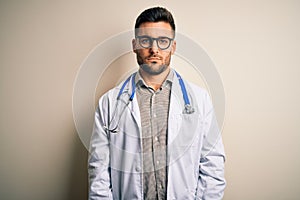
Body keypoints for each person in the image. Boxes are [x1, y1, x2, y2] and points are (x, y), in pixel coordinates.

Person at [88, 7, 226, 200]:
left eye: (163, 41)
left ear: (173, 46)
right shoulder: (109, 103)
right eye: (146, 41)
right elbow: (99, 173)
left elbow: (213, 167)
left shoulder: (200, 100)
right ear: (135, 45)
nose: (154, 49)